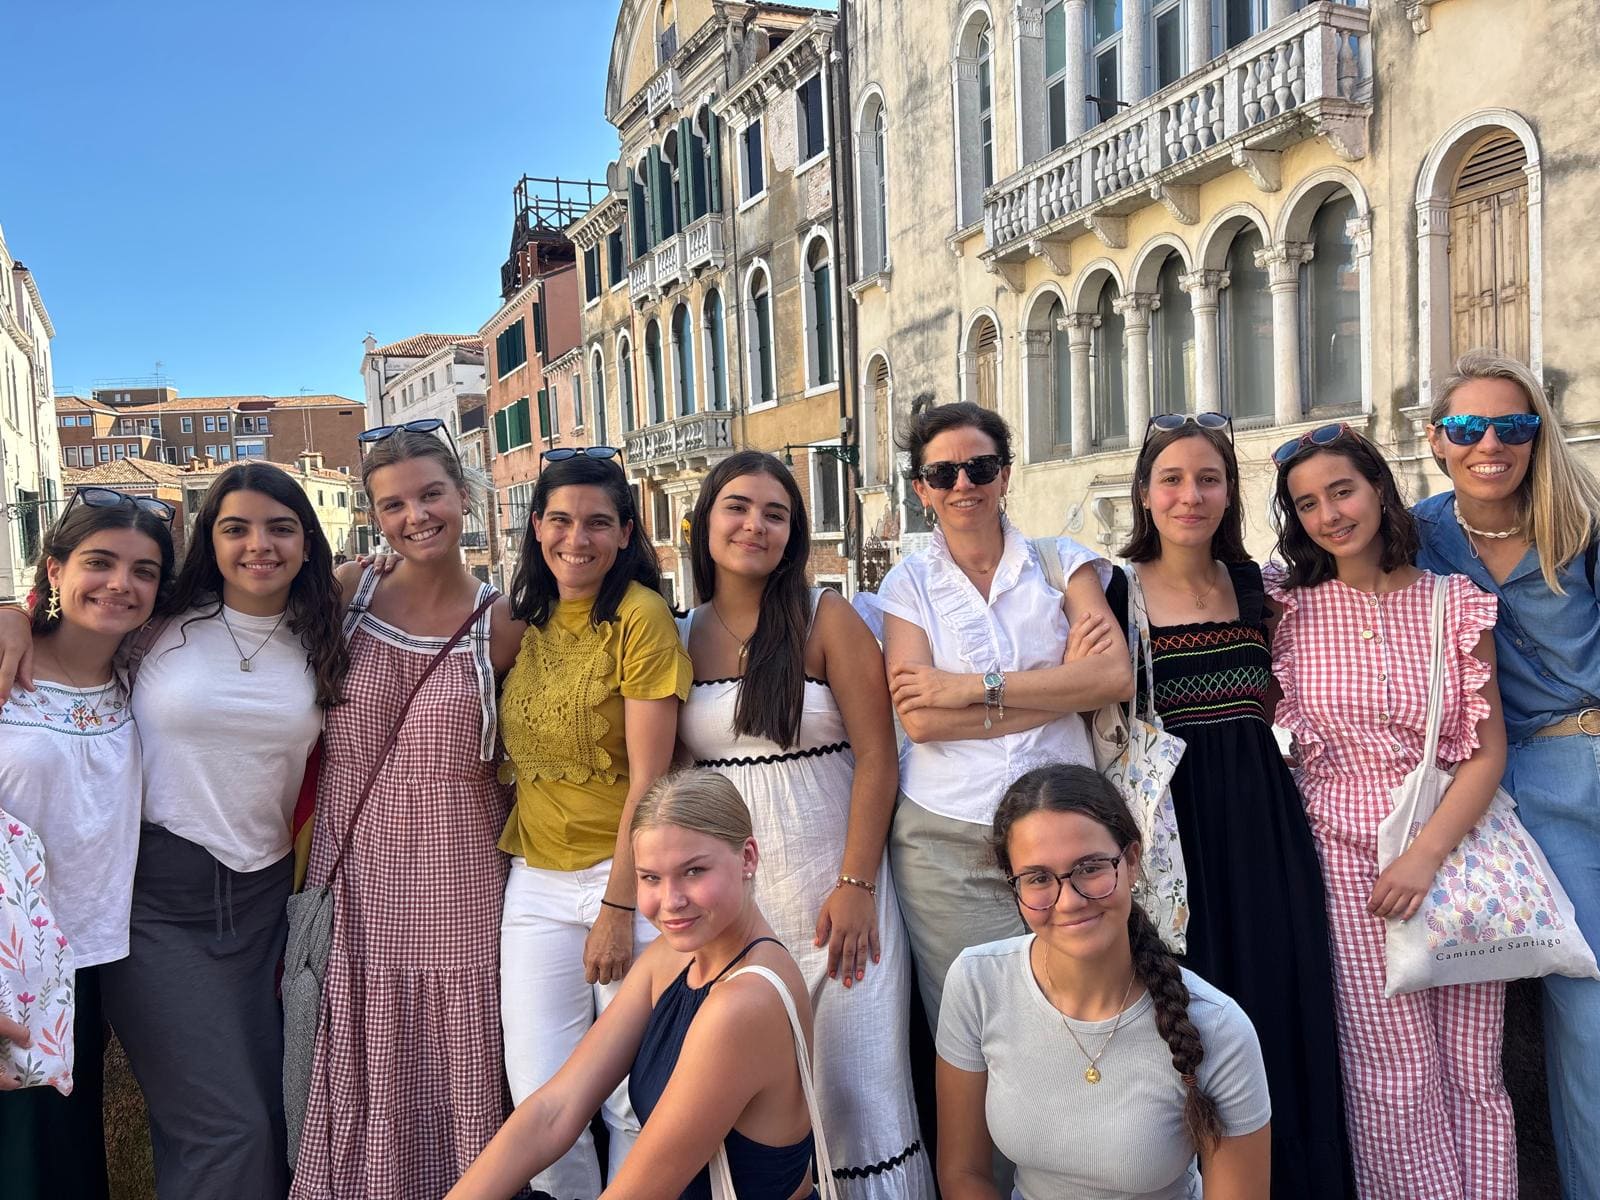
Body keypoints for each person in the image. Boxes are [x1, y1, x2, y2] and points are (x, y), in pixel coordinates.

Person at [1267, 423, 1516, 1199]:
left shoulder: (1454, 604)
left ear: (1378, 487)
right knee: (1390, 1070)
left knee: (1475, 1070)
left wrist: (1424, 855)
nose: (1329, 515)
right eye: (1307, 503)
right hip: (1343, 863)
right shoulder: (1287, 607)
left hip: (1453, 852)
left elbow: (1486, 753)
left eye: (1342, 490)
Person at [678, 450, 931, 1198]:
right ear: (705, 520)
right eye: (738, 507)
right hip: (739, 909)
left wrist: (856, 883)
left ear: (793, 534)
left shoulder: (827, 617)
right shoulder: (679, 635)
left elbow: (879, 758)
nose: (755, 525)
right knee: (766, 1107)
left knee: (859, 1094)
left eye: (776, 514)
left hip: (839, 900)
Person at [95, 463, 346, 1200]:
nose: (258, 545)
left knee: (271, 1112)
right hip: (157, 905)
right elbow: (64, 626)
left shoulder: (329, 630)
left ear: (307, 541)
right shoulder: (155, 626)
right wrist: (13, 617)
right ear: (210, 539)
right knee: (229, 1127)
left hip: (266, 905)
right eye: (236, 528)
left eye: (280, 528)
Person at [1116, 414, 1350, 1198]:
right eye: (1173, 479)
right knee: (1193, 1017)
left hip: (1265, 828)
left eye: (1208, 479)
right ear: (1144, 493)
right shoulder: (1116, 592)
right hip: (1172, 838)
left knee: (1280, 1002)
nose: (1191, 495)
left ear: (1228, 493)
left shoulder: (1257, 587)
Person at [290, 424, 523, 1199]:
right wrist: (20, 615)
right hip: (354, 873)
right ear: (374, 516)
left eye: (431, 495)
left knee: (459, 1055)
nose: (415, 516)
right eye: (393, 505)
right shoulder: (346, 592)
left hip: (459, 875)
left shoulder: (504, 623)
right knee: (360, 1052)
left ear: (464, 496)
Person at [860, 401, 1131, 1029]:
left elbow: (1112, 676)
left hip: (1068, 828)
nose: (964, 484)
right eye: (943, 473)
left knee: (1083, 1009)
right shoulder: (907, 586)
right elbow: (921, 722)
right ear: (922, 490)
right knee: (974, 1021)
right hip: (947, 838)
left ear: (1005, 474)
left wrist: (966, 688)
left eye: (980, 467)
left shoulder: (1062, 564)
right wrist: (1062, 688)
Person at [449, 768, 825, 1200]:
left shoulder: (743, 1004)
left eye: (694, 871)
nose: (671, 901)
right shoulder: (674, 957)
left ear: (748, 858)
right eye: (650, 877)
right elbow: (554, 1110)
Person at [1412, 350, 1600, 1200]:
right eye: (1467, 426)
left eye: (1513, 425)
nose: (1490, 443)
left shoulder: (1583, 523)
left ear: (1538, 434)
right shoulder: (1417, 536)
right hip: (1502, 786)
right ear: (1436, 440)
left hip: (1582, 761)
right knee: (1584, 1010)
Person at [936, 762, 1271, 1200]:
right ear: (1014, 887)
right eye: (1038, 878)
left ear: (1131, 862)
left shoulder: (1219, 1027)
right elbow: (963, 1172)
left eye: (1090, 868)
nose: (1069, 901)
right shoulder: (977, 984)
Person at [495, 449, 690, 1199]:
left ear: (625, 532)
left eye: (598, 523)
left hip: (626, 881)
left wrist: (615, 906)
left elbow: (650, 779)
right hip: (535, 882)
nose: (577, 538)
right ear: (536, 526)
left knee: (631, 1096)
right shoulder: (525, 620)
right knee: (539, 1091)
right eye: (561, 520)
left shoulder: (639, 616)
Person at [0, 487, 177, 1200]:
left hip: (83, 966)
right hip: (6, 967)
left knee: (64, 1163)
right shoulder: (6, 668)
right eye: (99, 562)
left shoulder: (145, 679)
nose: (120, 584)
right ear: (54, 569)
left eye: (143, 571)